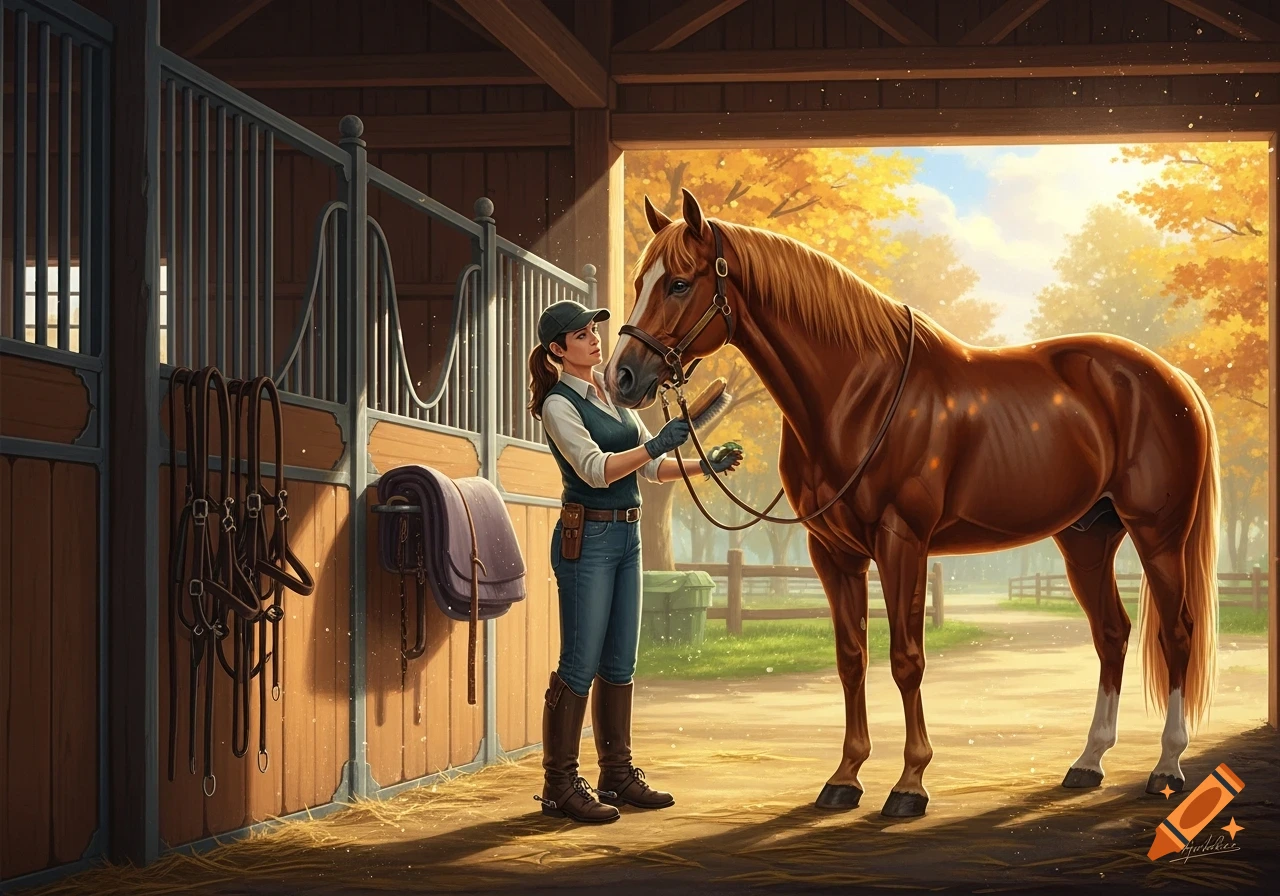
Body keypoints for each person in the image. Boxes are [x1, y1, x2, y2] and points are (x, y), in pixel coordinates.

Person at [527, 299, 743, 824]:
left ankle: (616, 775)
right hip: (589, 540)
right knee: (580, 664)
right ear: (558, 351)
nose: (594, 338)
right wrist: (654, 449)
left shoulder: (612, 394)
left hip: (627, 538)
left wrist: (701, 464)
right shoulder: (560, 404)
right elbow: (598, 469)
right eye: (581, 334)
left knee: (619, 663)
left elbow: (650, 468)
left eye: (594, 329)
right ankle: (559, 785)